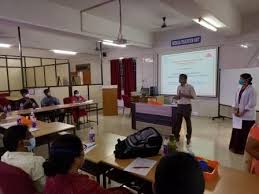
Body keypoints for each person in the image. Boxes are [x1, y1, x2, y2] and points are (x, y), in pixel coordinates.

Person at [43, 134, 132, 194]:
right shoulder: (87, 187)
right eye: (82, 149)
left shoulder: (51, 176)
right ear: (76, 159)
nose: (83, 152)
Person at [1, 125, 45, 192]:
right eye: (30, 135)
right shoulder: (36, 162)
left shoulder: (4, 157)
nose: (33, 137)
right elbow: (44, 187)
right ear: (21, 142)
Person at [229, 73, 257, 154]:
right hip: (237, 115)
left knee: (244, 133)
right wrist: (235, 109)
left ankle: (243, 150)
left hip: (247, 116)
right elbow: (236, 99)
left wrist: (242, 112)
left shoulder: (252, 89)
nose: (240, 80)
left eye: (241, 79)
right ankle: (235, 148)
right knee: (237, 131)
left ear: (247, 80)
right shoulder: (239, 87)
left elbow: (252, 103)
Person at [174, 74, 196, 145]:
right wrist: (176, 97)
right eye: (179, 78)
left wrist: (184, 95)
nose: (179, 79)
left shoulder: (190, 87)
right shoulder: (178, 87)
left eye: (181, 78)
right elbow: (179, 97)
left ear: (185, 79)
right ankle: (176, 136)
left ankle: (188, 138)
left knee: (188, 123)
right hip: (180, 106)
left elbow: (193, 97)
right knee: (178, 122)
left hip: (187, 106)